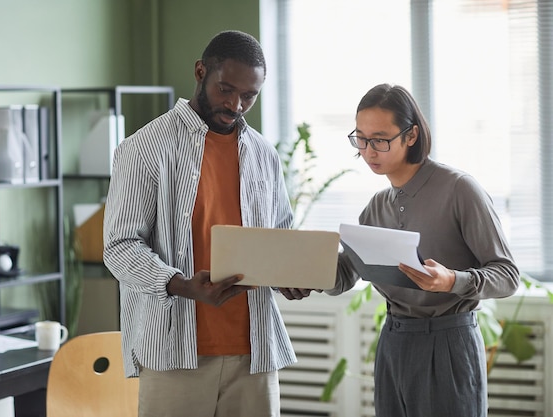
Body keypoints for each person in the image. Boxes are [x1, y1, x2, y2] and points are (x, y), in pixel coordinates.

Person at [103, 30, 298, 417]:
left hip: (254, 353)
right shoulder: (144, 148)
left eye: (249, 96)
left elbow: (280, 236)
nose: (236, 104)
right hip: (174, 355)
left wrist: (291, 274)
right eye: (226, 89)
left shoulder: (263, 154)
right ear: (200, 72)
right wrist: (178, 284)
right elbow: (119, 246)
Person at [326, 83, 519, 417]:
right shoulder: (376, 206)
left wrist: (452, 281)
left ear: (411, 136)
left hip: (449, 341)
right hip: (394, 342)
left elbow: (507, 275)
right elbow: (346, 274)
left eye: (380, 139)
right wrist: (304, 270)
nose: (369, 151)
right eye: (361, 138)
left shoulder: (459, 189)